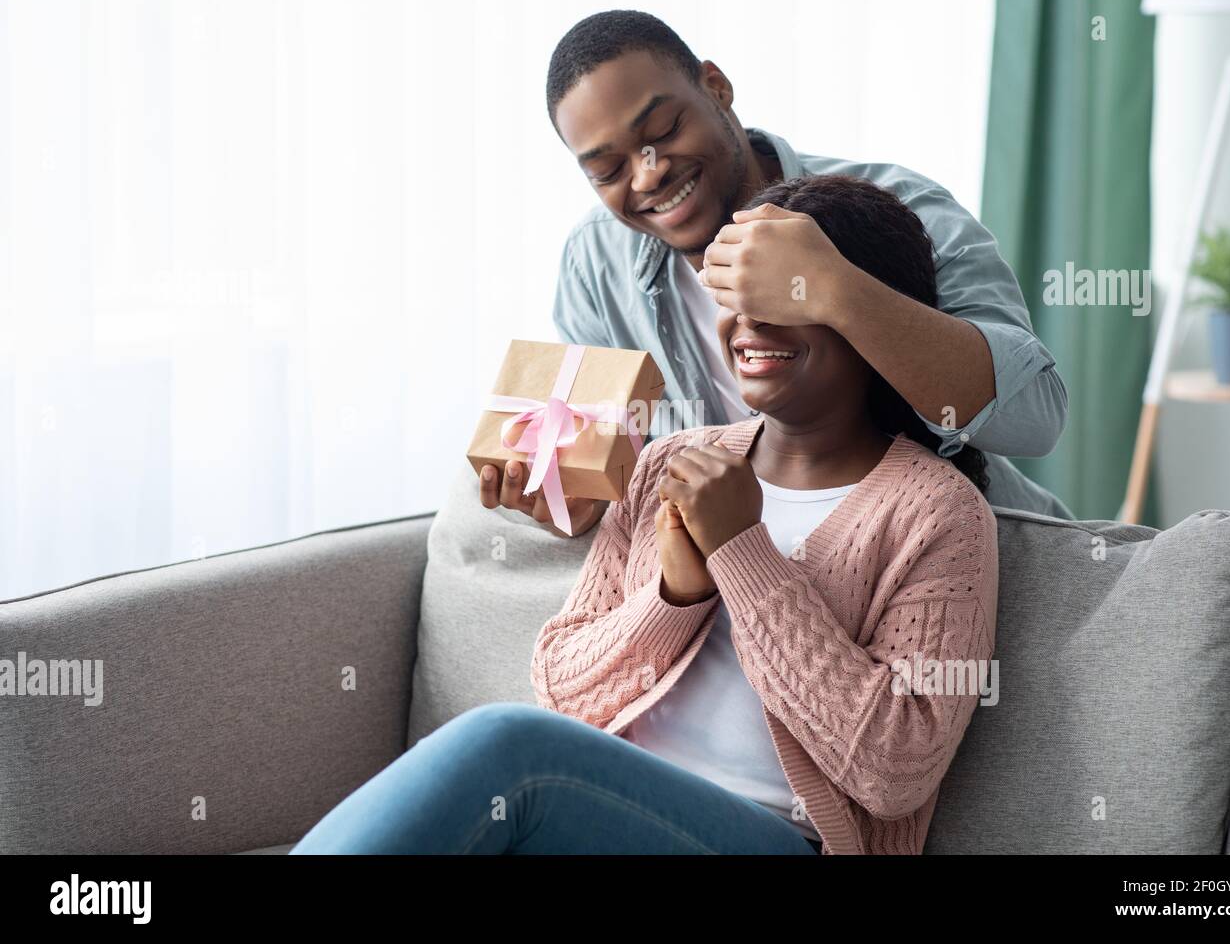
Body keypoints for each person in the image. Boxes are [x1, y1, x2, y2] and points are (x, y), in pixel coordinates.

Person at [291, 173, 998, 855]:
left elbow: (894, 766)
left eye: (779, 294)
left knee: (507, 747)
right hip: (605, 817)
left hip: (781, 837)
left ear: (867, 309)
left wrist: (742, 552)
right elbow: (563, 690)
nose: (747, 321)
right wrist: (676, 594)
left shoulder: (938, 512)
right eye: (730, 293)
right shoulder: (668, 460)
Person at [478, 9, 1072, 538]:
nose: (647, 175)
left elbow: (1036, 418)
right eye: (608, 170)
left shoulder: (896, 205)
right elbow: (623, 478)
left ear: (716, 87)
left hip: (959, 561)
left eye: (662, 133)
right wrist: (583, 505)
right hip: (761, 591)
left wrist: (838, 291)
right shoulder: (594, 264)